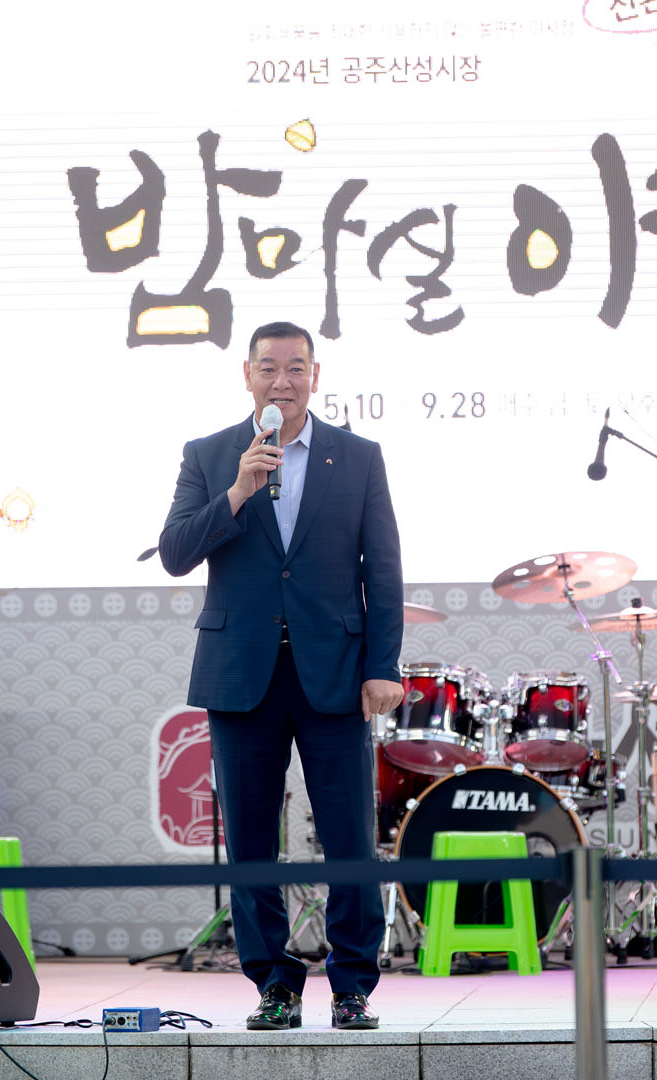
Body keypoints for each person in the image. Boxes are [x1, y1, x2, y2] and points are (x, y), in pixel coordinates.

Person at [159, 320, 404, 1031]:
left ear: (315, 376)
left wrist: (382, 666)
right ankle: (273, 983)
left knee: (350, 839)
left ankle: (352, 986)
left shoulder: (357, 457)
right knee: (251, 843)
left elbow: (383, 570)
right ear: (247, 375)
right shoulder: (209, 455)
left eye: (297, 368)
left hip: (335, 673)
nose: (283, 381)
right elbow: (175, 552)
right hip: (242, 675)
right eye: (269, 367)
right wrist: (238, 491)